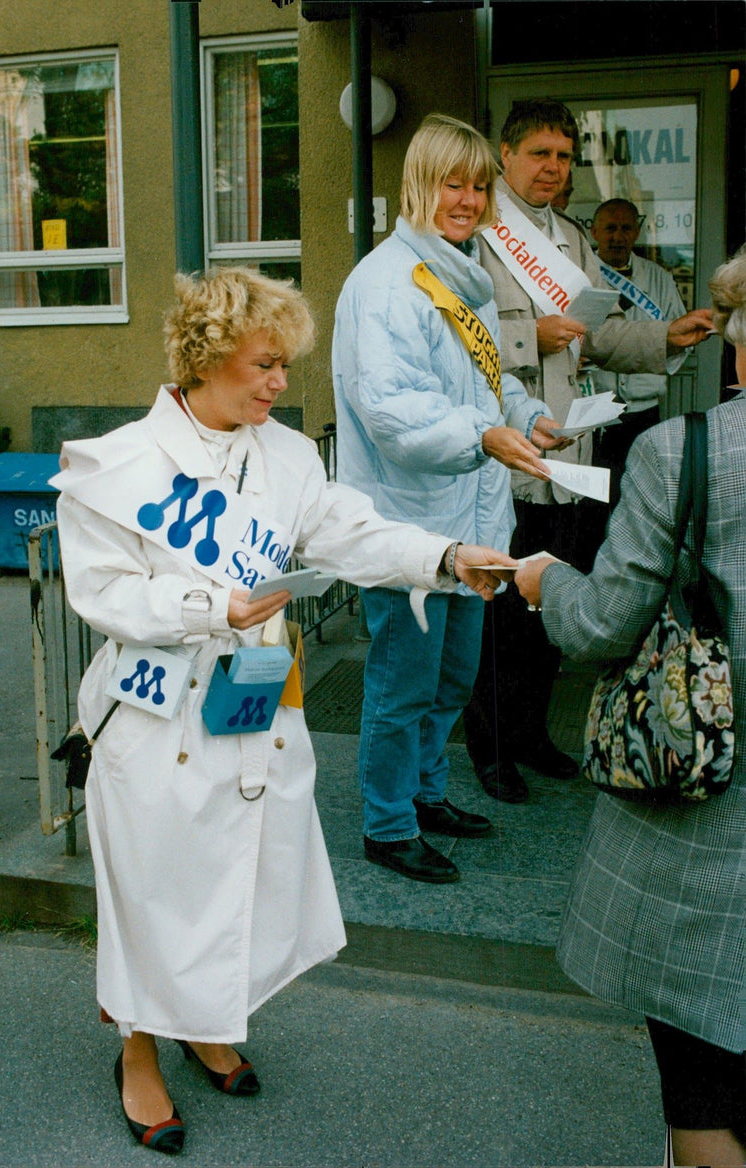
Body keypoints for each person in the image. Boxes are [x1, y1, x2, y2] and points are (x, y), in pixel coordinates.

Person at [51, 266, 518, 1155]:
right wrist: (207, 610)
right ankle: (138, 1049)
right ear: (209, 355)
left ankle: (201, 1018)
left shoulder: (289, 456)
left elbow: (353, 529)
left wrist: (448, 556)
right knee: (150, 891)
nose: (278, 384)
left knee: (230, 879)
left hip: (251, 708)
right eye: (265, 364)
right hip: (151, 717)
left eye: (285, 367)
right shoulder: (118, 466)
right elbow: (102, 593)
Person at [514, 248, 746, 1168]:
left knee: (705, 1099)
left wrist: (544, 581)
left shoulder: (683, 452)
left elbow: (606, 626)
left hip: (706, 841)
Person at [332, 113, 569, 883]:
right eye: (452, 184)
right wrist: (485, 437)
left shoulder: (453, 271)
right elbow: (394, 414)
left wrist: (528, 417)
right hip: (413, 528)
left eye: (477, 185)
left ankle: (426, 795)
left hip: (472, 522)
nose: (467, 199)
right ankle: (387, 823)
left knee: (450, 679)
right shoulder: (384, 284)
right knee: (402, 687)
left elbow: (488, 379)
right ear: (418, 186)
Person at [462, 97, 714, 804]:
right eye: (539, 154)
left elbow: (599, 333)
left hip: (567, 453)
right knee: (501, 611)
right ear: (505, 155)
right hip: (505, 455)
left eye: (564, 157)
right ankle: (491, 747)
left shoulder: (571, 239)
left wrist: (666, 337)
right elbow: (452, 335)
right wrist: (523, 340)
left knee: (551, 602)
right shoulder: (477, 235)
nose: (552, 168)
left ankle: (534, 733)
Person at [590, 198, 692, 506]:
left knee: (643, 499)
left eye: (625, 228)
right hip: (594, 414)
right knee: (595, 502)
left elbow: (680, 336)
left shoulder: (659, 278)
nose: (617, 236)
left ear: (637, 232)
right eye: (610, 228)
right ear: (594, 231)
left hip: (644, 413)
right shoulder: (581, 274)